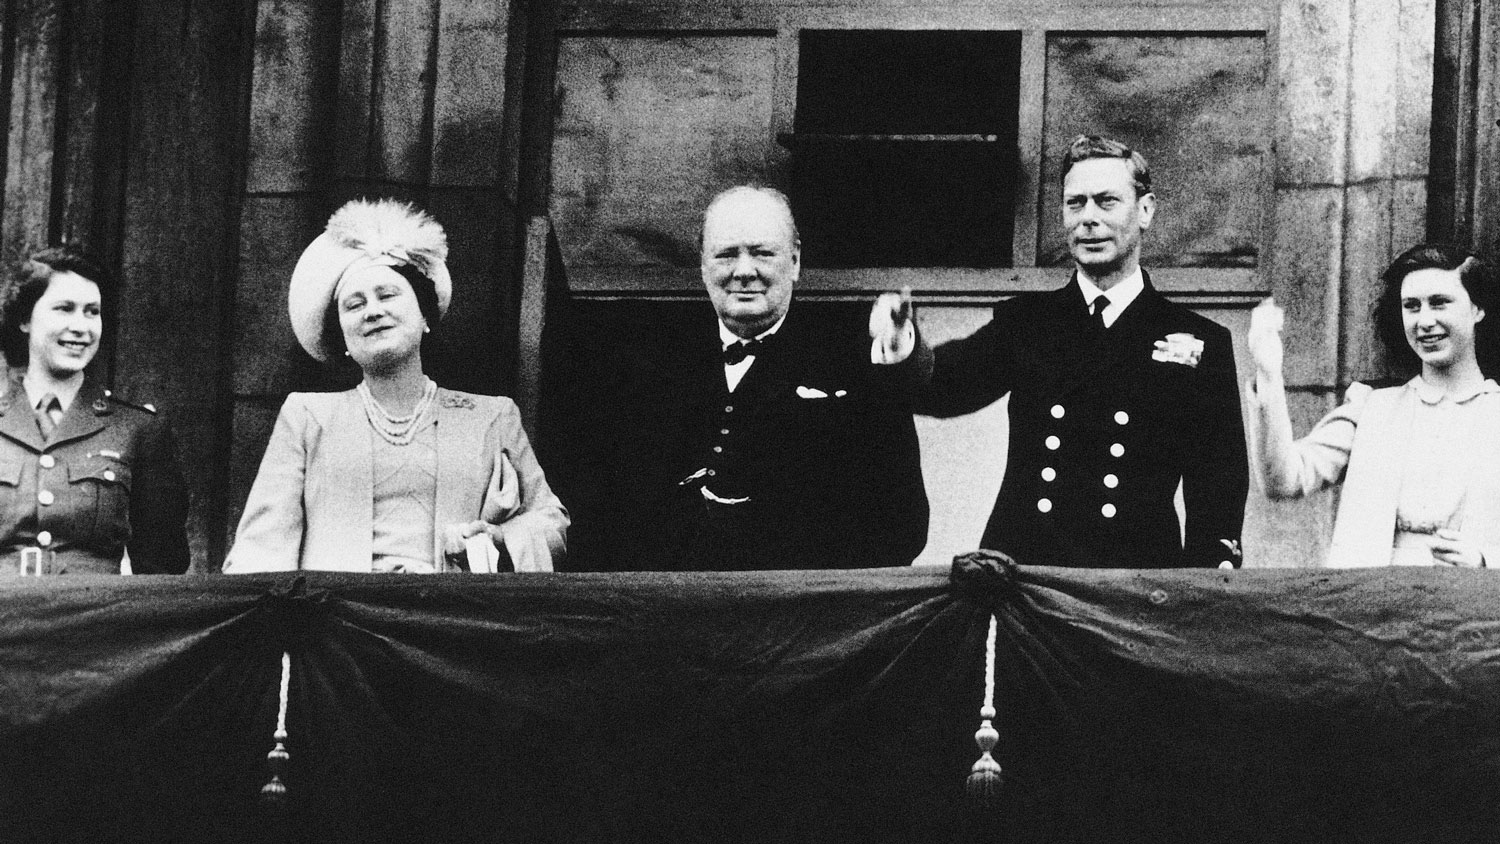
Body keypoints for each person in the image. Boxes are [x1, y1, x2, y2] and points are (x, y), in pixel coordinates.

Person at [872, 135, 1247, 569]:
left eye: (1106, 202)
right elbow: (944, 387)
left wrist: (1208, 574)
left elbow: (1219, 480)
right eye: (1075, 203)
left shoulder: (1199, 340)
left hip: (1136, 583)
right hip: (1029, 581)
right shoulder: (1029, 323)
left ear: (1145, 210)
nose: (1087, 219)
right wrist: (904, 344)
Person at [561, 185, 928, 570]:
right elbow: (602, 516)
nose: (744, 271)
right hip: (670, 608)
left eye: (762, 253)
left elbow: (900, 527)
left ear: (796, 260)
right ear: (703, 265)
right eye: (726, 255)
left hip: (801, 613)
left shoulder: (850, 357)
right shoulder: (646, 362)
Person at [224, 199, 568, 573]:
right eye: (354, 305)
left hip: (452, 619)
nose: (372, 311)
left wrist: (499, 538)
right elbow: (262, 548)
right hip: (338, 618)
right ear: (343, 338)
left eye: (387, 295)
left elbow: (551, 524)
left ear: (424, 315)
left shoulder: (493, 416)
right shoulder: (307, 417)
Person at [1247, 243, 1500, 567]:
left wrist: (1485, 561)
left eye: (1440, 303)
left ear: (1477, 309)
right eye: (1412, 306)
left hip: (1469, 613)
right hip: (1369, 607)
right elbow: (1284, 480)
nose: (1424, 321)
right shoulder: (1373, 408)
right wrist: (1269, 373)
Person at [0, 246, 190, 575]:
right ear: (25, 320)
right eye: (64, 309)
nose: (81, 326)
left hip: (95, 624)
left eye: (92, 312)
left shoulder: (137, 429)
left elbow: (162, 569)